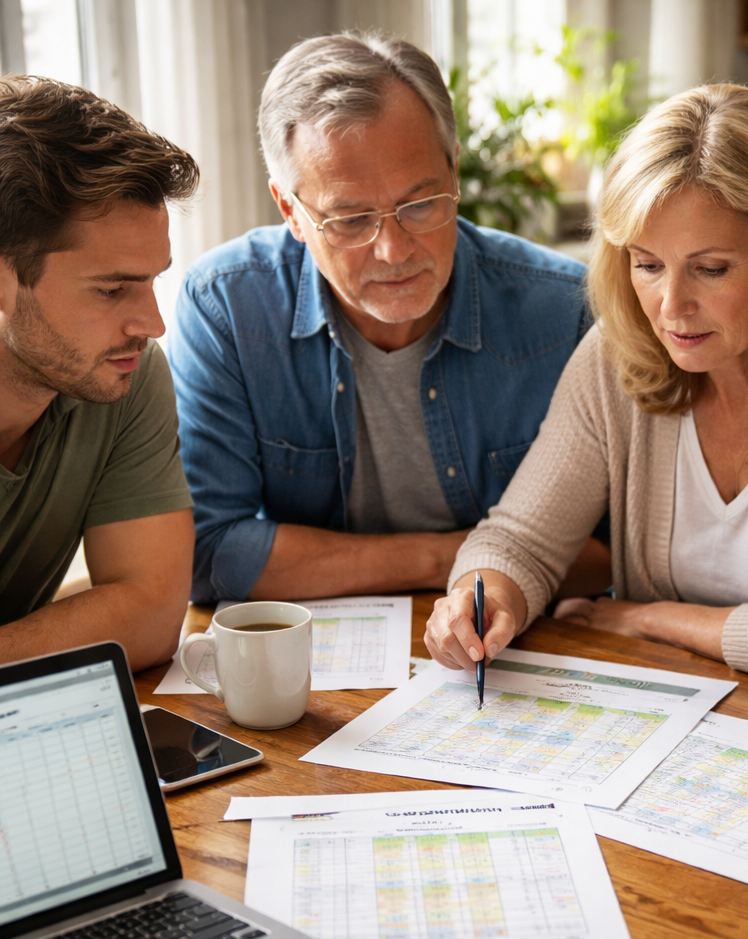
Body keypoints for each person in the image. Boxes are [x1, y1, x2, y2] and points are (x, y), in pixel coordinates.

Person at [425, 83, 748, 694]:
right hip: (669, 722)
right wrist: (481, 596)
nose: (672, 307)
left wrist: (644, 618)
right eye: (648, 264)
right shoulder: (616, 359)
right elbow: (520, 539)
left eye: (711, 268)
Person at [168, 32, 606, 605]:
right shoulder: (226, 306)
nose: (394, 252)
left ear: (452, 173)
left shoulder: (565, 309)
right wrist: (464, 556)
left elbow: (612, 552)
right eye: (350, 220)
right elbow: (210, 553)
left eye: (420, 205)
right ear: (291, 211)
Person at [0, 77, 198, 669]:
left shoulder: (125, 373)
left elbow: (151, 613)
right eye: (112, 289)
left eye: (152, 280)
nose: (153, 324)